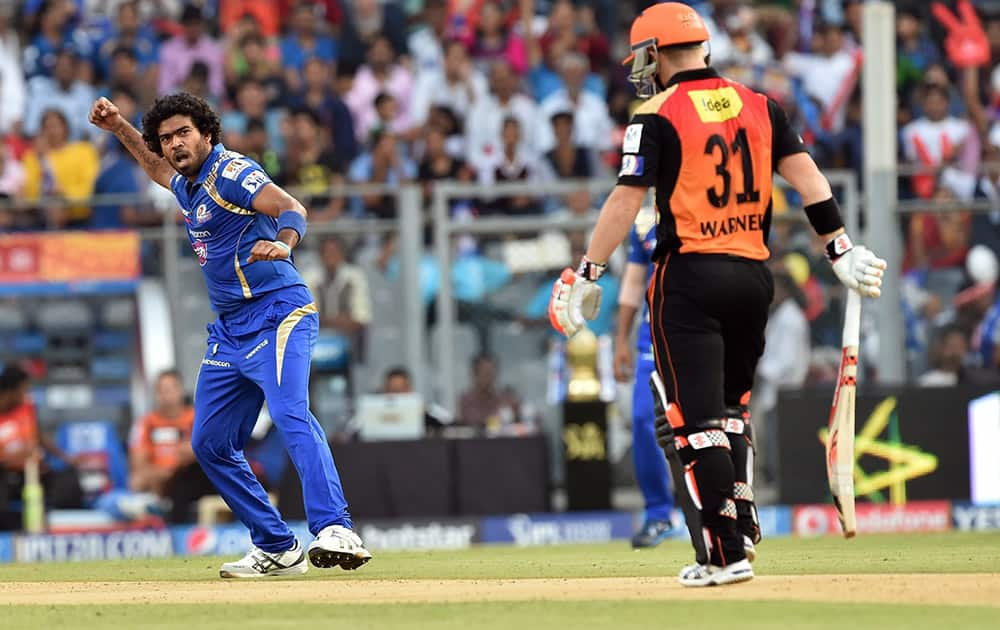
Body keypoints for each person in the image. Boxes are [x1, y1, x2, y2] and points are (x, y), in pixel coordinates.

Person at [548, 3, 886, 587]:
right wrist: (840, 248)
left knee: (692, 421)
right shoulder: (762, 105)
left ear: (654, 52)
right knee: (731, 414)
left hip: (690, 277)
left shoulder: (655, 113)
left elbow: (627, 201)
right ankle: (744, 527)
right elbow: (810, 181)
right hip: (754, 278)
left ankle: (722, 553)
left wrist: (588, 271)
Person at [89, 92, 371, 578]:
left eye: (183, 133)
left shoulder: (230, 172)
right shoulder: (187, 184)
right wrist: (119, 127)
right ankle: (277, 546)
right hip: (230, 331)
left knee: (288, 411)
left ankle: (335, 528)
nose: (174, 145)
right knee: (210, 443)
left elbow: (291, 206)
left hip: (278, 313)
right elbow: (157, 170)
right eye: (166, 138)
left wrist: (283, 244)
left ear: (207, 134)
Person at [613, 209, 674, 549]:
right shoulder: (644, 218)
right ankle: (658, 514)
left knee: (710, 419)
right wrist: (622, 338)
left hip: (696, 329)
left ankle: (725, 509)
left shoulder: (700, 198)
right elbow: (635, 280)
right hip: (652, 335)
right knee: (642, 418)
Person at [128, 369, 214, 523]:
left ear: (180, 390)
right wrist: (167, 473)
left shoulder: (198, 419)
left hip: (193, 482)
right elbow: (139, 470)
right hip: (159, 486)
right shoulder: (145, 424)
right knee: (134, 485)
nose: (166, 396)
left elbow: (210, 454)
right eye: (161, 391)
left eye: (170, 390)